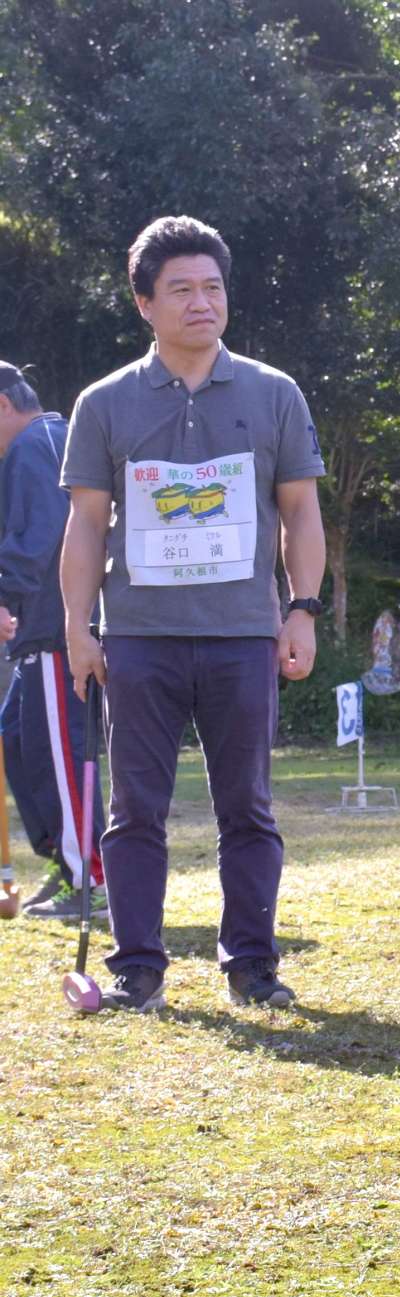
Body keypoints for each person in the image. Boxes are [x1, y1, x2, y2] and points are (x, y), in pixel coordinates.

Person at [60, 216, 326, 1013]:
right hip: (136, 639)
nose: (201, 302)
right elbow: (85, 526)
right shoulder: (103, 403)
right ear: (144, 303)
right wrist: (78, 626)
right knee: (133, 810)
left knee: (246, 805)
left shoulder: (274, 393)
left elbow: (302, 514)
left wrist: (303, 609)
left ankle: (253, 966)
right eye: (181, 289)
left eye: (212, 287)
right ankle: (136, 969)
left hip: (244, 635)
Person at [0, 361, 106, 918]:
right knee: (19, 737)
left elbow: (43, 532)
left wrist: (3, 594)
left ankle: (92, 876)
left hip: (56, 629)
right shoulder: (49, 440)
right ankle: (66, 865)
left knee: (62, 754)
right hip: (43, 632)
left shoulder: (35, 444)